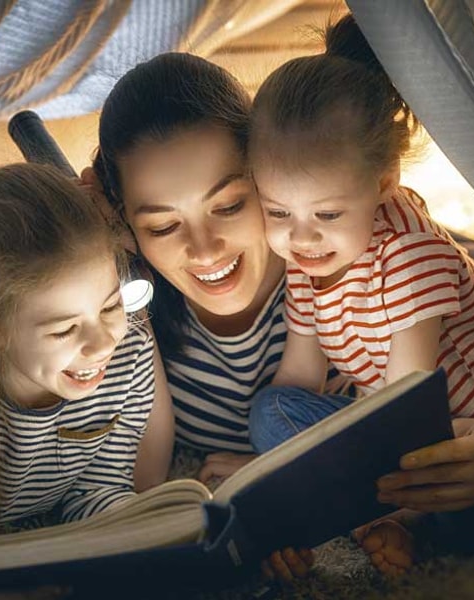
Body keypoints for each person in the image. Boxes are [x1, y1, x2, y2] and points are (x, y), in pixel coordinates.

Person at [87, 52, 358, 584]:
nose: (204, 249)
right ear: (127, 225)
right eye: (164, 226)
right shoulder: (129, 309)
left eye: (229, 205)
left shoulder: (336, 262)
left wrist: (280, 472)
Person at [247, 13, 474, 577]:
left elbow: (406, 406)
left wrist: (319, 474)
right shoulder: (307, 263)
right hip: (397, 437)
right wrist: (265, 471)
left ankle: (390, 517)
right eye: (278, 211)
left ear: (383, 183)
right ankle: (382, 512)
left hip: (464, 436)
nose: (300, 237)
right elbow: (299, 377)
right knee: (269, 414)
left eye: (328, 214)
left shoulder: (409, 255)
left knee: (470, 516)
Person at [0, 160, 171, 599]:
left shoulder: (128, 353)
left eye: (111, 305)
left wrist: (146, 530)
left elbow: (99, 484)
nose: (102, 344)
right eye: (63, 330)